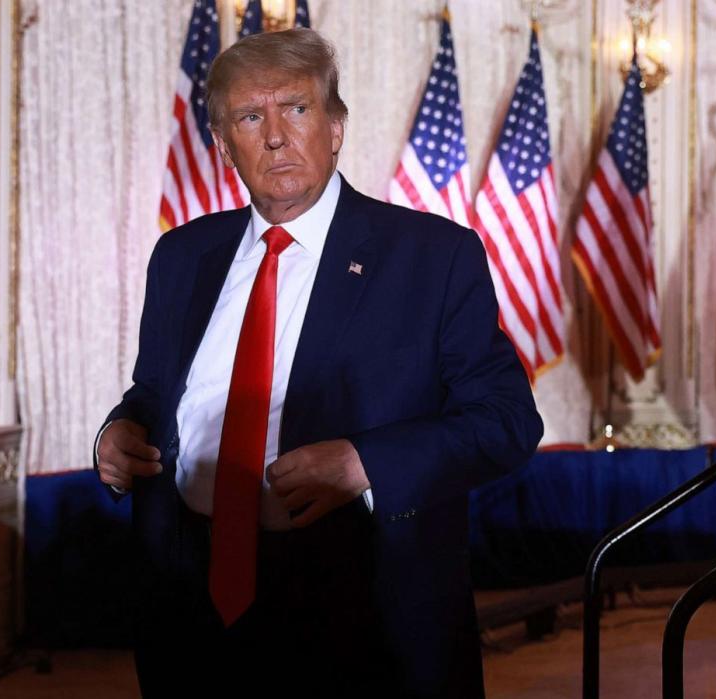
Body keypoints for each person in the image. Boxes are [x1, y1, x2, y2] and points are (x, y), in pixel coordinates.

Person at [94, 27, 541, 698]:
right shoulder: (183, 257)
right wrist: (119, 430)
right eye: (251, 116)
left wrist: (365, 461)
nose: (276, 135)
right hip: (191, 609)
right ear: (223, 146)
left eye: (296, 109)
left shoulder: (431, 257)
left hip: (360, 614)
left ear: (335, 127)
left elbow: (507, 421)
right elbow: (156, 393)